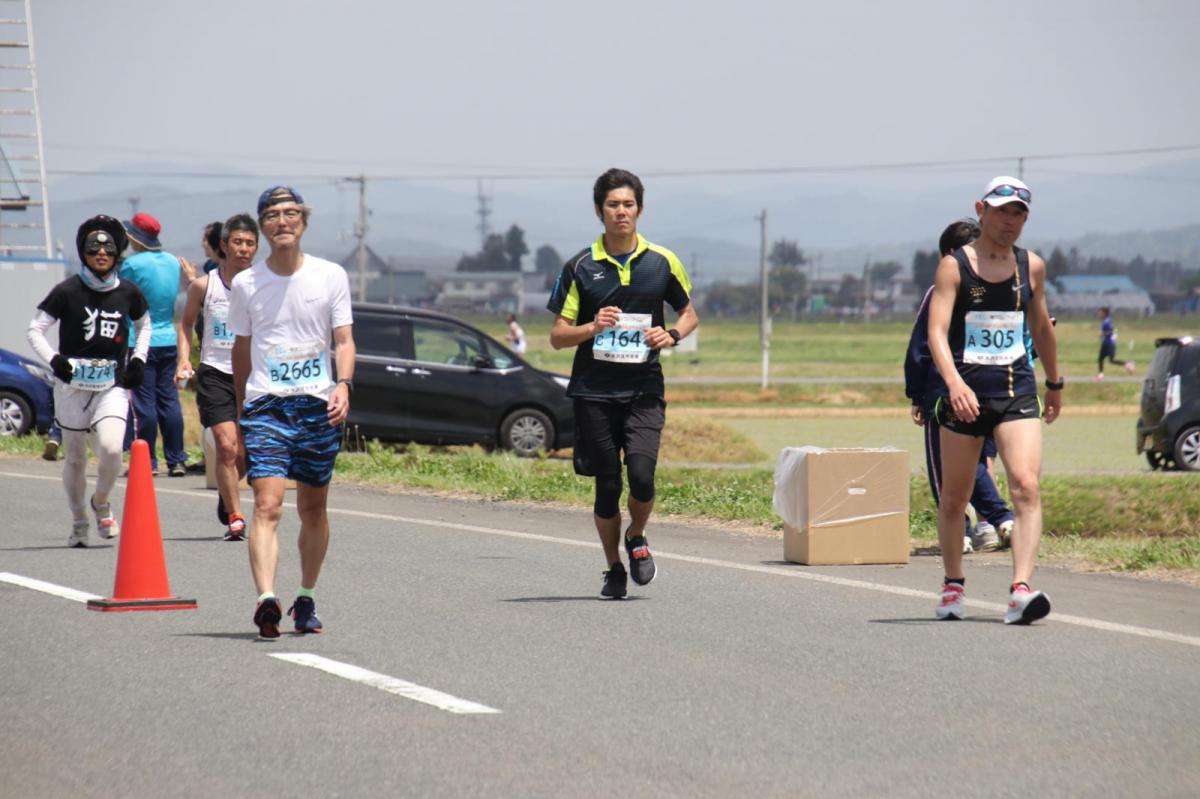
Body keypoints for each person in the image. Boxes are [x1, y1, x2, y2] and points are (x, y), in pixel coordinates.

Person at [548, 168, 699, 599]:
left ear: (640, 210)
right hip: (593, 392)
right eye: (613, 205)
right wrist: (593, 326)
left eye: (628, 204)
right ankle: (613, 567)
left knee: (642, 475)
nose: (621, 212)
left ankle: (636, 535)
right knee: (608, 485)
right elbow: (558, 336)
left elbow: (689, 314)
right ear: (599, 211)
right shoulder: (581, 266)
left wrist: (671, 335)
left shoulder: (662, 262)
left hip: (643, 388)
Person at [927, 176, 1061, 625]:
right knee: (955, 497)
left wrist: (1055, 382)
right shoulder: (954, 266)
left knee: (1026, 485)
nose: (1010, 221)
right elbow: (936, 331)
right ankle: (953, 585)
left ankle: (1020, 590)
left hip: (1016, 391)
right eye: (1003, 211)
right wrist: (953, 384)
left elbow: (1041, 326)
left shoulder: (1031, 266)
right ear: (981, 210)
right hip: (965, 394)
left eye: (1019, 214)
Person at [228, 186, 355, 638]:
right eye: (272, 215)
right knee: (267, 503)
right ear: (262, 226)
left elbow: (344, 340)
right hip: (266, 406)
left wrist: (343, 384)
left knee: (313, 508)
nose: (282, 221)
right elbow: (240, 351)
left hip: (318, 404)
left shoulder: (330, 275)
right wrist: (241, 413)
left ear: (303, 220)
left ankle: (305, 597)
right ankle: (266, 599)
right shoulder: (245, 284)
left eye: (291, 213)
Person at [26, 216, 150, 547]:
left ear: (117, 252)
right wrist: (55, 360)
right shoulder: (66, 291)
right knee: (76, 458)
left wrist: (138, 359)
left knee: (111, 449)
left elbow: (145, 325)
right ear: (83, 252)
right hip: (71, 388)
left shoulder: (129, 292)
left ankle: (101, 501)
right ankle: (79, 518)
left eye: (108, 248)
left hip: (111, 385)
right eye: (93, 248)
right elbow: (35, 329)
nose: (101, 253)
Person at [905, 218, 1014, 554]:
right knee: (978, 461)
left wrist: (917, 394)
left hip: (948, 389)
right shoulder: (1004, 284)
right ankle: (998, 523)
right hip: (994, 386)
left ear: (950, 254)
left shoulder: (941, 289)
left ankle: (962, 533)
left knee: (944, 464)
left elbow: (923, 344)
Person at [178, 214, 259, 541]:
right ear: (224, 246)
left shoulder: (263, 286)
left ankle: (227, 493)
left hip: (253, 376)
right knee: (226, 446)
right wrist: (184, 358)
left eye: (250, 243)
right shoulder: (204, 285)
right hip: (215, 373)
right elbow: (186, 324)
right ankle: (236, 518)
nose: (244, 249)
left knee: (244, 454)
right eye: (237, 242)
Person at [119, 212, 192, 476]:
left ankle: (147, 461)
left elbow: (122, 297)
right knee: (169, 401)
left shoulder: (132, 265)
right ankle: (177, 459)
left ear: (134, 238)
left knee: (143, 403)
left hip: (138, 339)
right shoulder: (172, 261)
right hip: (167, 338)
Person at [1095, 306, 1135, 381]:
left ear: (1104, 314)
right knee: (1100, 359)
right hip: (1105, 343)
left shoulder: (1107, 322)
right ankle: (1100, 375)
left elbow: (1111, 332)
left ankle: (1128, 364)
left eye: (1100, 313)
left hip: (1109, 344)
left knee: (1111, 360)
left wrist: (1103, 333)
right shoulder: (1105, 321)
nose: (1098, 314)